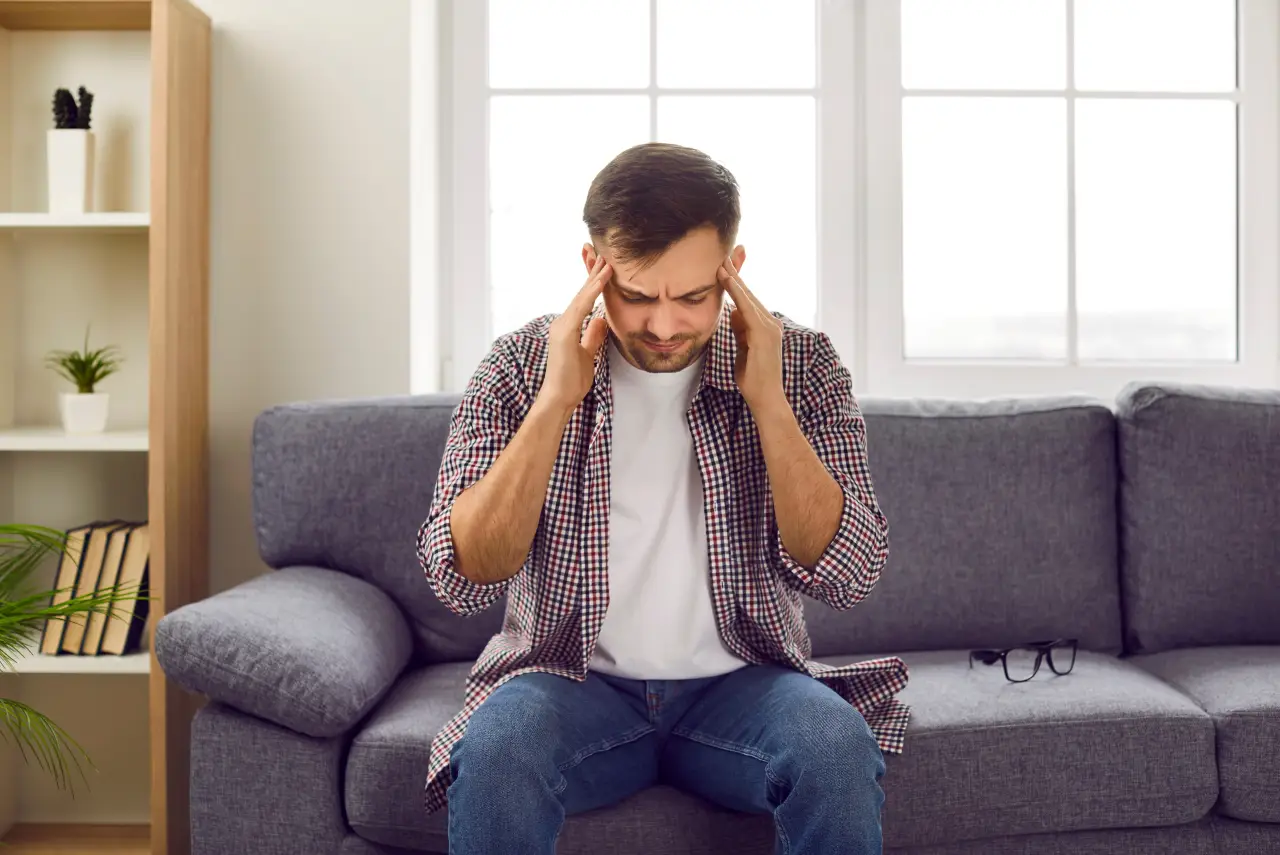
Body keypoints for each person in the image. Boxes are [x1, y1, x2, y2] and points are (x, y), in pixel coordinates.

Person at [417, 142, 910, 854]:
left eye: (693, 296)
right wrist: (557, 399)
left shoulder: (801, 363)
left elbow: (849, 571)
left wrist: (768, 401)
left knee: (833, 744)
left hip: (744, 684)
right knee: (497, 753)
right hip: (569, 682)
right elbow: (460, 574)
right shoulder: (521, 365)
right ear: (593, 269)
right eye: (638, 295)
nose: (664, 325)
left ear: (732, 272)